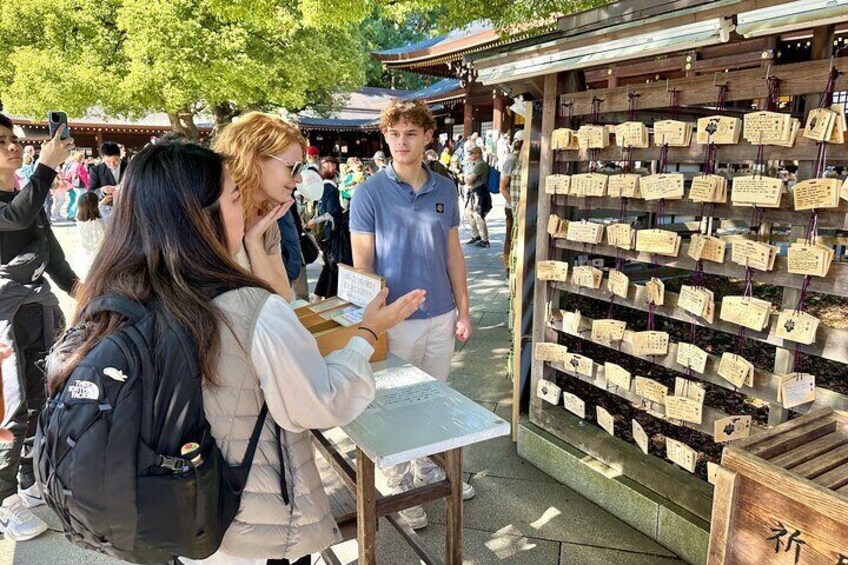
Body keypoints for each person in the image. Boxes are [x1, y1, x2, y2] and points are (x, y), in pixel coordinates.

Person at [46, 141, 425, 565]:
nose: (243, 207)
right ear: (199, 217)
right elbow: (322, 402)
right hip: (251, 527)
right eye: (233, 198)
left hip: (170, 515)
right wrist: (368, 332)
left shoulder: (112, 293)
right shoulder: (248, 308)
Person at [350, 99, 475, 531]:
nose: (402, 142)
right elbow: (362, 264)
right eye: (394, 134)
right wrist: (373, 321)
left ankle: (427, 466)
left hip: (440, 313)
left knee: (434, 395)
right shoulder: (368, 193)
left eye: (410, 134)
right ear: (385, 137)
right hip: (394, 318)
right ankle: (399, 482)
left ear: (427, 137)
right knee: (393, 403)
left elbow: (453, 252)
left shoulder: (445, 189)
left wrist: (464, 307)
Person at [0, 115, 76, 541]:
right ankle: (3, 498)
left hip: (35, 309)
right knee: (8, 406)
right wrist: (45, 167)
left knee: (39, 396)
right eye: (2, 141)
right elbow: (13, 218)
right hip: (3, 317)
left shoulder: (26, 192)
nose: (13, 146)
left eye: (15, 139)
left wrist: (77, 285)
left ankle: (29, 479)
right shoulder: (22, 197)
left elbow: (49, 246)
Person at [211, 112, 304, 303]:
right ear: (253, 160)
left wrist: (254, 241)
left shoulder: (266, 215)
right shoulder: (210, 217)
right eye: (292, 167)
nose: (299, 179)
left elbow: (281, 299)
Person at [309, 157, 349, 299]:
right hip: (331, 233)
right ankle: (329, 296)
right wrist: (317, 221)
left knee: (329, 266)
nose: (331, 168)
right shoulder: (330, 188)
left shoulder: (324, 187)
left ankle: (318, 295)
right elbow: (330, 212)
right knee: (333, 266)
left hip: (325, 233)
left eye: (332, 165)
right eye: (327, 166)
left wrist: (314, 221)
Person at [500, 138, 523, 277]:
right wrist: (514, 204)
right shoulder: (512, 161)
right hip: (511, 207)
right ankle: (508, 266)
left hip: (517, 206)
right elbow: (502, 187)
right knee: (511, 237)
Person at [88, 141, 126, 221]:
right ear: (102, 158)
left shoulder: (130, 167)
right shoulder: (96, 170)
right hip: (106, 210)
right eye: (108, 162)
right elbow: (91, 192)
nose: (112, 164)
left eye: (115, 160)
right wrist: (101, 190)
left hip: (126, 208)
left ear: (120, 156)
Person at [463, 146, 492, 248]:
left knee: (478, 215)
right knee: (468, 213)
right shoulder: (473, 164)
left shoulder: (480, 164)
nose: (469, 155)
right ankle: (476, 235)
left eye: (471, 153)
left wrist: (466, 176)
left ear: (478, 154)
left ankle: (485, 240)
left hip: (480, 191)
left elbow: (468, 181)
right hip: (473, 192)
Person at [74, 192, 106, 274]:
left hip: (83, 253)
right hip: (97, 256)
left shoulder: (79, 217)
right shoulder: (98, 222)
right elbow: (103, 239)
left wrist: (101, 203)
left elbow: (88, 206)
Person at [64, 151, 89, 221]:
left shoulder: (74, 165)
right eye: (83, 158)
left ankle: (75, 214)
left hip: (75, 185)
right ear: (80, 158)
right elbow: (84, 177)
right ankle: (71, 215)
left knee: (77, 200)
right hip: (81, 186)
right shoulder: (80, 166)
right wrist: (87, 185)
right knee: (78, 201)